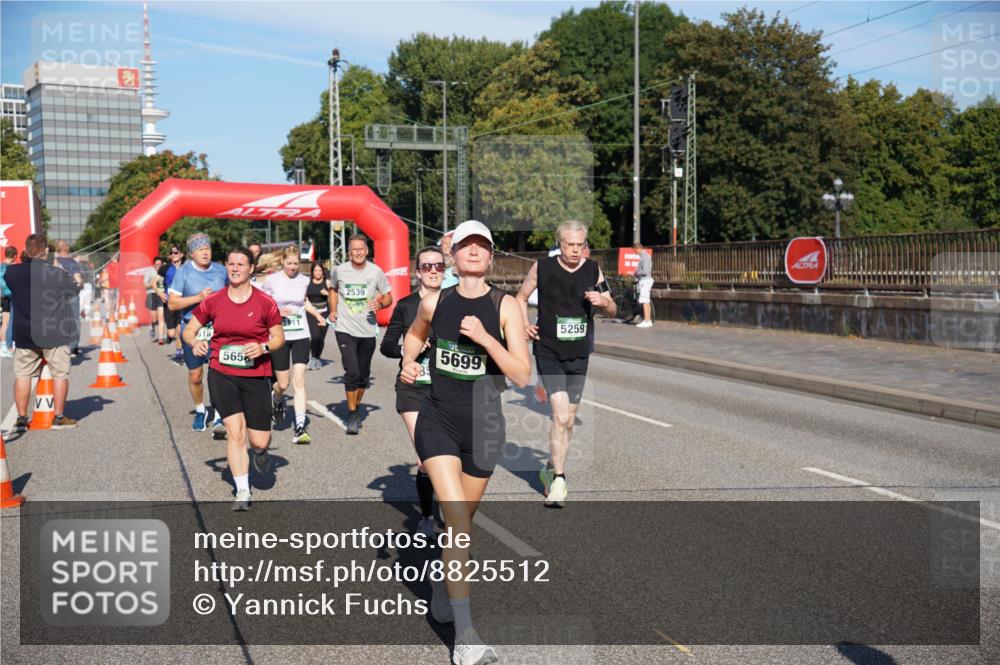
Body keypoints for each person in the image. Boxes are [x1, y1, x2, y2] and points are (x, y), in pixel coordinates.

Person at [400, 220, 531, 665]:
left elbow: (521, 374)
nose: (474, 251)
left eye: (483, 245)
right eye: (466, 245)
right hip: (438, 419)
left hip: (485, 425)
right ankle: (466, 636)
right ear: (453, 256)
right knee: (457, 521)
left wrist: (485, 338)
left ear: (491, 256)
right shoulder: (435, 302)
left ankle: (441, 583)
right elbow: (415, 336)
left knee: (460, 526)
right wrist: (408, 363)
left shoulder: (507, 306)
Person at [516, 220, 616, 507]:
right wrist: (523, 324)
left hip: (579, 353)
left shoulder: (593, 269)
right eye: (569, 244)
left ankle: (549, 468)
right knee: (560, 416)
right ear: (559, 244)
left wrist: (602, 301)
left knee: (569, 419)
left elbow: (612, 307)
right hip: (548, 351)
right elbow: (520, 298)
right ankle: (560, 479)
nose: (575, 250)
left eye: (580, 245)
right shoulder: (542, 268)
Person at [183, 247, 284, 510]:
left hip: (256, 374)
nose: (235, 268)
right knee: (234, 432)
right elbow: (189, 331)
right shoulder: (214, 301)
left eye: (241, 264)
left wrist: (262, 347)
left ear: (251, 268)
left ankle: (261, 453)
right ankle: (242, 490)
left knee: (259, 440)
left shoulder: (265, 302)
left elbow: (278, 338)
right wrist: (195, 343)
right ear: (226, 267)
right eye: (231, 264)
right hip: (222, 372)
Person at [380, 245, 445, 537]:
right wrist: (408, 347)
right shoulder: (406, 306)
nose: (433, 271)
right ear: (417, 272)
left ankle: (446, 501)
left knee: (448, 455)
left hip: (448, 389)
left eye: (439, 266)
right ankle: (427, 517)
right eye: (427, 266)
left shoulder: (455, 302)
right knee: (425, 458)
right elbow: (386, 346)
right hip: (413, 389)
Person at [5, 234, 82, 431]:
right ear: (46, 251)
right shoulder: (56, 273)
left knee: (23, 374)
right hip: (53, 333)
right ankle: (58, 417)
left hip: (24, 333)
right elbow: (73, 291)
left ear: (26, 249)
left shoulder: (12, 273)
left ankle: (22, 418)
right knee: (60, 374)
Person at [330, 234, 393, 435]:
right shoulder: (339, 270)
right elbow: (332, 289)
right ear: (349, 252)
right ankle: (352, 414)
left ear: (367, 251)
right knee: (352, 371)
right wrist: (333, 309)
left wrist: (381, 303)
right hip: (344, 328)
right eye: (354, 249)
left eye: (361, 249)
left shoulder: (376, 272)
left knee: (363, 375)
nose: (358, 252)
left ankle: (356, 406)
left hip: (367, 329)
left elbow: (389, 296)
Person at [167, 233, 228, 435]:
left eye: (207, 249)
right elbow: (173, 303)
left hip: (218, 329)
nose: (205, 252)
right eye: (200, 249)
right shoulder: (183, 272)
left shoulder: (221, 271)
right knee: (195, 375)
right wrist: (198, 298)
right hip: (192, 329)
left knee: (219, 373)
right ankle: (201, 410)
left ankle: (220, 414)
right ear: (192, 254)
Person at [261, 246, 323, 444]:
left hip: (301, 334)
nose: (293, 267)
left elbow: (303, 302)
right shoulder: (272, 281)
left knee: (299, 382)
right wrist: (277, 313)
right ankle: (277, 399)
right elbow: (263, 304)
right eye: (289, 263)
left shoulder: (304, 280)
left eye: (296, 263)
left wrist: (317, 315)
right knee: (283, 384)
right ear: (283, 262)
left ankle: (299, 427)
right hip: (279, 335)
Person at [53, 240, 84, 355]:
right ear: (67, 249)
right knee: (74, 318)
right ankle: (73, 346)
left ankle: (60, 345)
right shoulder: (72, 262)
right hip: (72, 292)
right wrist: (81, 285)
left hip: (58, 293)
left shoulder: (54, 262)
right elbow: (78, 279)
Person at [305, 262, 333, 370]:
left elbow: (335, 298)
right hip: (312, 312)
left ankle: (317, 358)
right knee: (315, 336)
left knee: (321, 338)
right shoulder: (308, 282)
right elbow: (305, 298)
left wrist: (328, 294)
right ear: (312, 272)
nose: (318, 273)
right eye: (315, 270)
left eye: (320, 270)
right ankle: (313, 358)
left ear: (323, 271)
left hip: (325, 311)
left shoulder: (327, 282)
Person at [163, 244, 185, 363]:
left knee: (180, 330)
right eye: (172, 253)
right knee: (172, 332)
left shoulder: (187, 268)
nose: (173, 255)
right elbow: (155, 282)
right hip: (169, 303)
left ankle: (178, 353)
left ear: (181, 254)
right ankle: (169, 335)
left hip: (182, 303)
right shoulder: (165, 268)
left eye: (176, 253)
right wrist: (161, 293)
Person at [144, 256, 167, 344]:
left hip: (161, 295)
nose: (158, 266)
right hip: (151, 294)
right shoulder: (149, 271)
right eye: (156, 264)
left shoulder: (164, 271)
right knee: (154, 318)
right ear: (153, 264)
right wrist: (153, 283)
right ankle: (152, 327)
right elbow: (145, 285)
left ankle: (161, 337)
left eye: (160, 264)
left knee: (161, 318)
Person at [0, 246, 17, 358]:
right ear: (15, 256)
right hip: (10, 295)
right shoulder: (10, 268)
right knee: (10, 321)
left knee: (4, 322)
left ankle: (3, 346)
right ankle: (8, 346)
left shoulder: (0, 265)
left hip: (2, 296)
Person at [633, 241, 654, 328]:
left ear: (638, 248)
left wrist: (636, 272)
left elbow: (645, 271)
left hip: (645, 280)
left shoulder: (644, 256)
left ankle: (647, 320)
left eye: (635, 251)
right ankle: (648, 320)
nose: (635, 253)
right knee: (646, 300)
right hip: (645, 280)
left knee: (644, 300)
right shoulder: (644, 256)